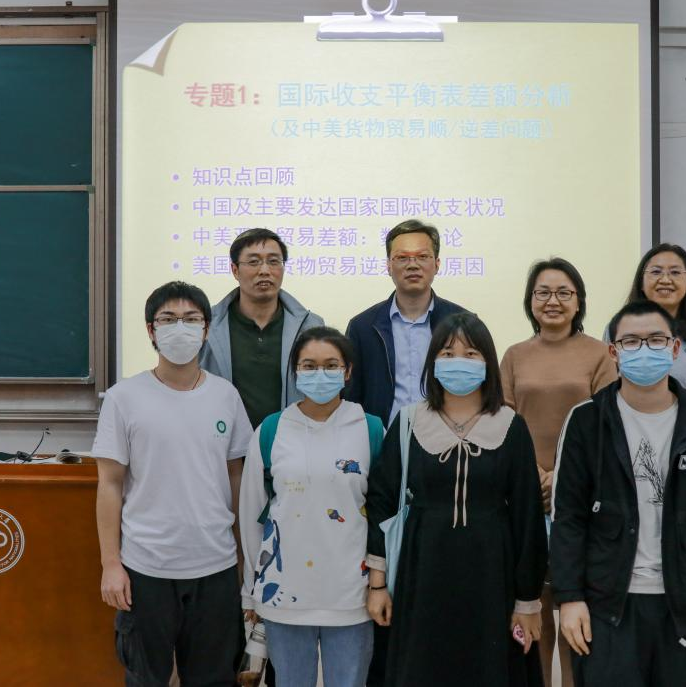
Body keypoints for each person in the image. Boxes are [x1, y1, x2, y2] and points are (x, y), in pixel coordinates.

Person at [553, 300, 686, 686]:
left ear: (674, 348)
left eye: (656, 340)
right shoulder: (587, 421)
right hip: (608, 603)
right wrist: (569, 597)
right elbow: (568, 518)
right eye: (631, 342)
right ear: (613, 352)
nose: (644, 350)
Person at [365, 313, 547, 687]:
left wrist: (528, 602)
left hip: (492, 576)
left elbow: (528, 518)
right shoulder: (409, 422)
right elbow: (382, 502)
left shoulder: (511, 426)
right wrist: (378, 585)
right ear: (432, 362)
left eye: (471, 354)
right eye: (447, 354)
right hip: (422, 573)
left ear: (488, 362)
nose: (458, 362)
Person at [94, 281, 253, 686]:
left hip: (216, 565)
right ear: (151, 330)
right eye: (168, 319)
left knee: (215, 678)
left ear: (206, 329)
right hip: (146, 567)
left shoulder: (226, 396)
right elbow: (109, 484)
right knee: (146, 678)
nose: (180, 327)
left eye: (191, 319)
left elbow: (236, 476)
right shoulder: (123, 397)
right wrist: (111, 563)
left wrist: (242, 556)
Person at [239, 326, 381, 687]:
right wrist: (251, 590)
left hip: (351, 595)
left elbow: (385, 515)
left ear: (348, 372)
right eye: (309, 365)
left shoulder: (370, 429)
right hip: (284, 594)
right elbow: (252, 514)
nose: (320, 374)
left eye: (331, 365)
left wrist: (381, 584)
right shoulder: (272, 430)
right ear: (295, 372)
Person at [500, 257, 617, 687]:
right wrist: (534, 475)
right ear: (530, 300)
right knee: (534, 604)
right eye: (543, 292)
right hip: (525, 491)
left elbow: (607, 421)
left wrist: (561, 476)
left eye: (564, 292)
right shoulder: (514, 355)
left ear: (579, 301)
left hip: (581, 491)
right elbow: (503, 420)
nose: (553, 301)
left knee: (572, 602)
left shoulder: (600, 353)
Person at [345, 219, 468, 427]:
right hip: (384, 439)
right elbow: (351, 396)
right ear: (388, 266)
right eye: (402, 258)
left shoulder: (462, 322)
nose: (412, 265)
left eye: (422, 256)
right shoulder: (362, 327)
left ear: (437, 264)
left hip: (448, 436)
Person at [201, 228, 325, 428]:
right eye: (253, 262)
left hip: (291, 440)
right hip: (223, 441)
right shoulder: (208, 326)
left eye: (274, 261)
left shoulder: (311, 326)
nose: (265, 270)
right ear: (235, 270)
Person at [611, 243, 686, 413]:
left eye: (675, 272)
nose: (665, 280)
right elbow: (609, 388)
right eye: (656, 272)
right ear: (641, 283)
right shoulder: (619, 329)